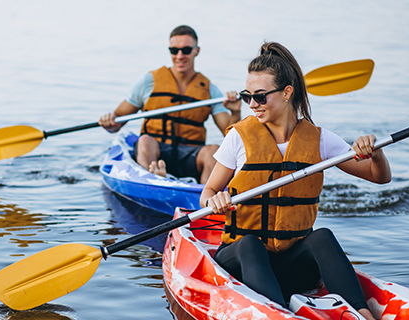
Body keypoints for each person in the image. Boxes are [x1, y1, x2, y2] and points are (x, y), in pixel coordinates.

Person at [201, 42, 390, 320]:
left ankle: (363, 314)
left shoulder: (319, 139)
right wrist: (213, 199)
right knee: (251, 243)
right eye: (247, 96)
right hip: (242, 260)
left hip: (292, 265)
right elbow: (209, 190)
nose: (252, 104)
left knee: (322, 237)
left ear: (287, 92)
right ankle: (275, 314)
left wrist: (376, 154)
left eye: (260, 96)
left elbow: (379, 177)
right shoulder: (239, 137)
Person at [98, 25, 241, 184]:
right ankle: (152, 180)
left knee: (213, 151)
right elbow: (117, 122)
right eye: (174, 50)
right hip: (157, 151)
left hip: (190, 155)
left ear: (196, 51)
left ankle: (205, 198)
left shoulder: (210, 91)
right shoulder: (148, 82)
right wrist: (109, 121)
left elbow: (231, 138)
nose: (180, 56)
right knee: (144, 140)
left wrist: (235, 112)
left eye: (186, 50)